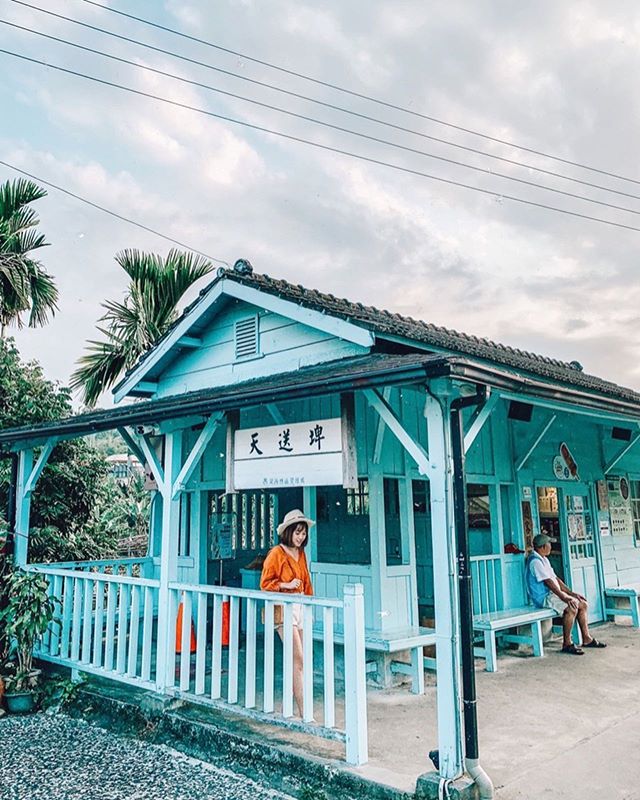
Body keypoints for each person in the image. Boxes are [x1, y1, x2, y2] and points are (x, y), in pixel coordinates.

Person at [260, 508, 314, 716]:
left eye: (303, 533)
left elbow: (306, 580)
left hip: (301, 607)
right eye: (297, 532)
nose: (300, 537)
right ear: (288, 532)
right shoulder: (276, 553)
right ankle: (304, 712)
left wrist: (309, 601)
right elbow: (265, 584)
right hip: (283, 608)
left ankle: (286, 708)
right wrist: (286, 585)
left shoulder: (301, 553)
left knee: (298, 660)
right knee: (298, 658)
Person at [525, 533, 606, 655]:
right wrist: (563, 596)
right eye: (549, 544)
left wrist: (571, 593)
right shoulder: (535, 562)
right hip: (543, 597)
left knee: (582, 604)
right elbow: (548, 582)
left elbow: (555, 579)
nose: (551, 547)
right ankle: (567, 643)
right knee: (571, 607)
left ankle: (587, 638)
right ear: (542, 547)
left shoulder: (544, 560)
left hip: (552, 594)